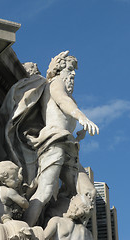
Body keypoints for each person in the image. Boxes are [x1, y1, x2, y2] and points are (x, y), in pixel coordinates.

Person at [23, 51, 99, 226]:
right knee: (45, 191)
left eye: (73, 72)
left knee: (89, 192)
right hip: (54, 142)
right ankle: (25, 230)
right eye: (70, 70)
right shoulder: (55, 83)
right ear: (59, 69)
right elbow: (63, 101)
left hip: (69, 145)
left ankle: (61, 226)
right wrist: (82, 117)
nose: (72, 74)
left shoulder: (65, 89)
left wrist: (78, 135)